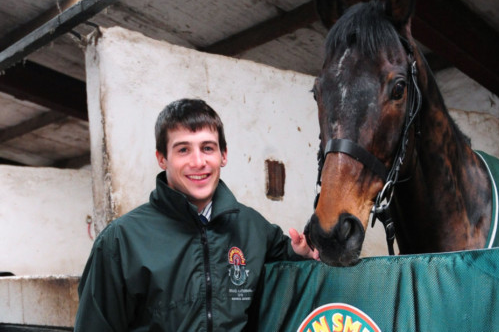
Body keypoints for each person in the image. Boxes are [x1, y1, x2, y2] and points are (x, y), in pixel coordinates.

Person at [75, 98, 318, 331]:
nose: (198, 161)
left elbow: (284, 261)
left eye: (207, 148)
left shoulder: (252, 227)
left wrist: (300, 254)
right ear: (162, 158)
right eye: (183, 150)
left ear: (223, 155)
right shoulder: (120, 241)